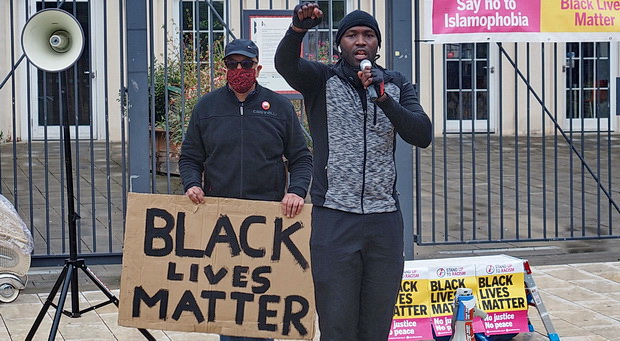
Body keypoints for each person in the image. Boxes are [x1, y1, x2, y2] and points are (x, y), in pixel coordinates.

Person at [275, 4, 432, 341]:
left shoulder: (396, 84)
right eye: (352, 35)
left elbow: (422, 134)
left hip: (384, 220)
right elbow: (284, 64)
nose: (360, 41)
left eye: (368, 35)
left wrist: (385, 99)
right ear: (339, 44)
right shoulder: (321, 80)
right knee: (337, 323)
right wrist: (297, 29)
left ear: (377, 46)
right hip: (335, 220)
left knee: (376, 325)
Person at [179, 38, 312, 341]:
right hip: (221, 225)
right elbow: (189, 157)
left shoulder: (279, 107)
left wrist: (297, 191)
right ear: (224, 67)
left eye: (245, 64)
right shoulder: (206, 108)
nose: (238, 69)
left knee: (263, 306)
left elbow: (301, 158)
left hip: (267, 224)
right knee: (229, 308)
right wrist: (192, 184)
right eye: (231, 64)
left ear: (257, 67)